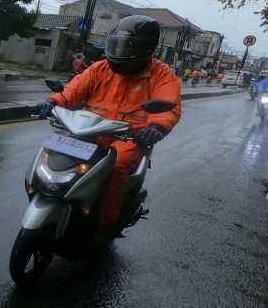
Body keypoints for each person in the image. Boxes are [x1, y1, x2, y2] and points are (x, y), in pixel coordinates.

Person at [38, 15, 182, 236]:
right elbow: (72, 91)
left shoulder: (161, 74)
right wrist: (53, 102)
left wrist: (157, 127)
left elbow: (168, 106)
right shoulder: (100, 68)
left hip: (130, 137)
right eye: (117, 45)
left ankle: (106, 225)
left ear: (146, 49)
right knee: (53, 151)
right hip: (88, 130)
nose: (120, 51)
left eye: (127, 47)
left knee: (116, 167)